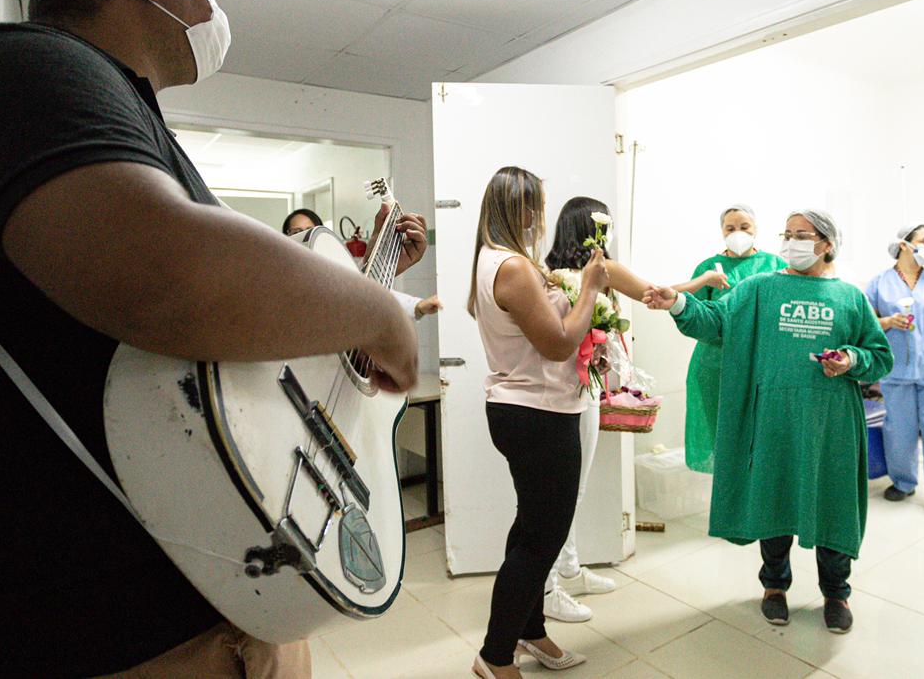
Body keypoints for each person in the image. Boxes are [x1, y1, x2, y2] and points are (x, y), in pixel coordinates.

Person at [0, 0, 429, 678]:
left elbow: (224, 344)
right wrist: (376, 310)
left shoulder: (132, 123)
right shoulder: (15, 68)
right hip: (108, 639)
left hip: (230, 603)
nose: (213, 2)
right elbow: (169, 280)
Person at [644, 209, 892, 634]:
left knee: (832, 504)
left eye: (804, 235)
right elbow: (715, 321)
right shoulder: (760, 288)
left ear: (827, 244)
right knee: (774, 500)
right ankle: (774, 588)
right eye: (788, 234)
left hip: (830, 424)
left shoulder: (849, 297)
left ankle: (836, 593)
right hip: (773, 419)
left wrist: (851, 358)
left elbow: (879, 355)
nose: (793, 242)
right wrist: (680, 302)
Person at [470, 169, 606, 678]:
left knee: (531, 527)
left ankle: (529, 631)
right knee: (541, 540)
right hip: (538, 414)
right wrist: (589, 289)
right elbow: (558, 343)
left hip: (524, 409)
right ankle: (495, 654)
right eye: (539, 207)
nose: (543, 216)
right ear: (526, 210)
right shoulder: (512, 267)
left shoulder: (493, 261)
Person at [539, 196, 661, 623]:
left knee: (574, 486)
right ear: (591, 228)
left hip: (577, 388)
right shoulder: (581, 275)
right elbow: (652, 294)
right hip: (565, 395)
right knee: (566, 490)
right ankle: (550, 584)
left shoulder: (554, 273)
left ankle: (568, 567)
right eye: (602, 225)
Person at [864, 225, 924, 525]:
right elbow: (867, 325)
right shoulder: (879, 283)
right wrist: (890, 321)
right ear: (904, 245)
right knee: (899, 432)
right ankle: (904, 482)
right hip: (896, 370)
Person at [681, 205, 787, 474]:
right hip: (716, 365)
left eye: (744, 227)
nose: (737, 233)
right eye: (730, 228)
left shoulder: (776, 265)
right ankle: (729, 499)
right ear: (722, 232)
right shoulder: (708, 269)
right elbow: (693, 315)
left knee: (761, 438)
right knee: (723, 440)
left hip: (763, 364)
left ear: (756, 230)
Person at [283, 207, 440, 320]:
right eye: (297, 233)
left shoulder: (332, 272)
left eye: (309, 231)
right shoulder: (278, 277)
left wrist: (417, 306)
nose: (304, 237)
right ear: (285, 237)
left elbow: (361, 293)